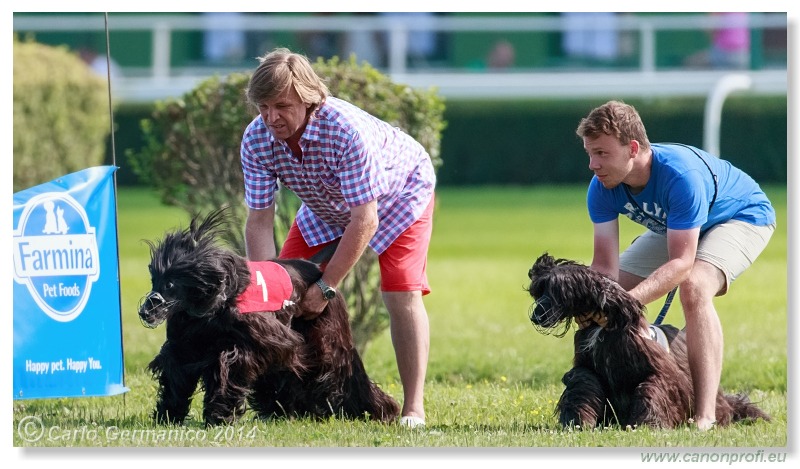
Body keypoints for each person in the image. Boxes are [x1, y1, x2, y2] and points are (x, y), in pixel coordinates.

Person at [240, 47, 436, 428]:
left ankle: (414, 408)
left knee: (400, 288)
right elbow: (259, 221)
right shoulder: (256, 139)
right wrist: (267, 291)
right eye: (263, 107)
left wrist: (327, 286)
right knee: (285, 287)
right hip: (326, 205)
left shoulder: (344, 130)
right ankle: (295, 399)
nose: (270, 117)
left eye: (281, 105)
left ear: (308, 97)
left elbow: (365, 219)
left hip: (399, 193)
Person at [575, 100, 775, 431]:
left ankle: (706, 415)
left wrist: (630, 304)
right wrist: (590, 302)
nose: (593, 164)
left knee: (694, 288)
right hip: (679, 225)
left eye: (602, 153)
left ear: (633, 148)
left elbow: (682, 263)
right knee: (607, 292)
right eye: (589, 153)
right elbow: (604, 267)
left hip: (740, 217)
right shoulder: (602, 186)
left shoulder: (681, 175)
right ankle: (604, 400)